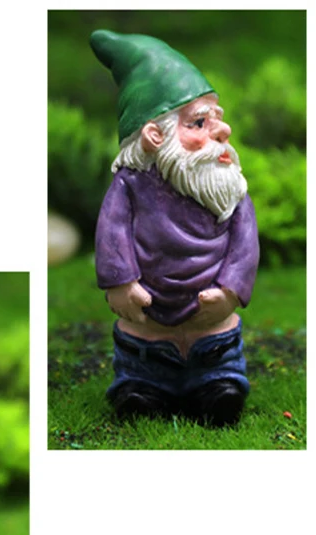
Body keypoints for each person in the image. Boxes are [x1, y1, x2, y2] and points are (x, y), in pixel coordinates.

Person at [91, 30, 260, 426]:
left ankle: (219, 387)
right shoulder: (131, 185)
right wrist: (121, 282)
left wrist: (231, 289)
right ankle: (142, 388)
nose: (222, 132)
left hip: (210, 319)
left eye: (217, 119)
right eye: (199, 122)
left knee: (216, 359)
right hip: (148, 315)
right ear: (155, 135)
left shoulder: (227, 186)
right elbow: (112, 232)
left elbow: (244, 242)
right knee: (144, 359)